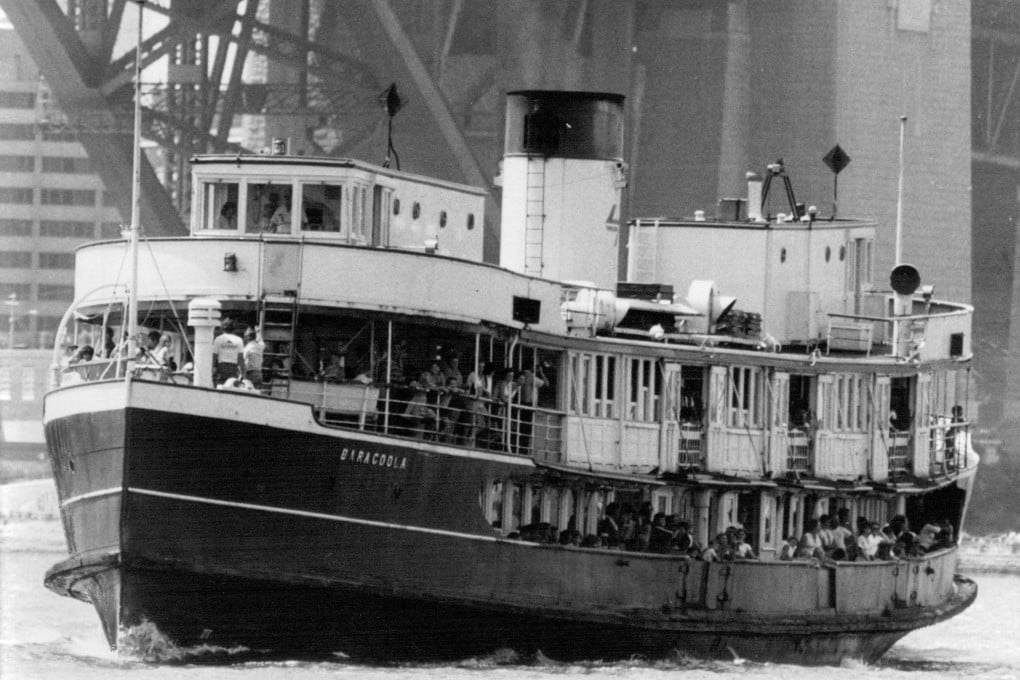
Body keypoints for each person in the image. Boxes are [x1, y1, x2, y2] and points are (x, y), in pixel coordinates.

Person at [212, 318, 245, 386]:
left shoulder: (218, 339)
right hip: (233, 368)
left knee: (220, 387)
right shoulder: (239, 340)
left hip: (221, 367)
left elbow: (214, 356)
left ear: (222, 328)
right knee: (232, 387)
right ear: (234, 328)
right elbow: (241, 359)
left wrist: (210, 370)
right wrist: (243, 374)